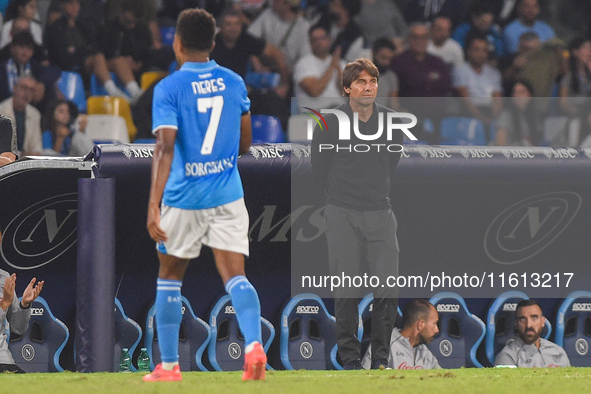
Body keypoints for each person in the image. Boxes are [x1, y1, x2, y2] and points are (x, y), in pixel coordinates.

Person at [144, 8, 266, 382]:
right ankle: (254, 348)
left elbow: (165, 147)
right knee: (236, 277)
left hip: (184, 198)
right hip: (228, 194)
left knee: (169, 277)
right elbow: (246, 144)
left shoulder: (169, 88)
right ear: (213, 43)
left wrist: (153, 204)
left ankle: (168, 366)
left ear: (177, 43)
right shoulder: (233, 81)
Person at [311, 58, 401, 370]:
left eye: (372, 81)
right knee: (345, 290)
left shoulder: (391, 121)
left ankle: (380, 360)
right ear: (347, 87)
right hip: (342, 212)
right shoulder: (329, 121)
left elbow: (392, 164)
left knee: (387, 289)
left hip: (380, 212)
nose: (368, 87)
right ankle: (349, 361)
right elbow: (318, 169)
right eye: (361, 82)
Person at [44, 0, 131, 100]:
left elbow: (94, 45)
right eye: (71, 3)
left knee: (119, 61)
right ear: (63, 5)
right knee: (97, 58)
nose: (75, 7)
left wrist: (77, 50)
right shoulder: (56, 28)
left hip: (89, 61)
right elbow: (61, 54)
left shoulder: (83, 26)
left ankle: (135, 93)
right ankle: (113, 92)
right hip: (74, 65)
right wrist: (81, 51)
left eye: (77, 4)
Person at [361, 299, 441, 370]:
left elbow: (443, 378)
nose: (437, 330)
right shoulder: (385, 341)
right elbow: (365, 375)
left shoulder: (424, 351)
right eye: (434, 324)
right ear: (421, 324)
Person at [494, 299, 570, 367]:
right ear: (516, 324)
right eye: (522, 319)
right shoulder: (507, 356)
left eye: (534, 317)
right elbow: (504, 383)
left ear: (543, 322)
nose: (529, 325)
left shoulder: (558, 351)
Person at [452, 32, 503, 131]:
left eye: (484, 51)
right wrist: (482, 119)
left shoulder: (494, 73)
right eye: (476, 50)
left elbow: (497, 99)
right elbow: (465, 100)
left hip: (490, 111)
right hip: (468, 112)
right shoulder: (460, 70)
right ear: (469, 51)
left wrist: (493, 118)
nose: (480, 54)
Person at [0, 268, 44, 373]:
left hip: (4, 360)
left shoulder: (4, 277)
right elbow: (5, 304)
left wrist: (24, 305)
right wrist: (4, 304)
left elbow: (18, 328)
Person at [293, 24, 346, 108]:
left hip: (340, 111)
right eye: (314, 40)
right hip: (315, 113)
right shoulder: (303, 64)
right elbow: (314, 91)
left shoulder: (340, 63)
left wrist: (338, 68)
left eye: (322, 38)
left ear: (329, 40)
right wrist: (332, 67)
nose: (319, 42)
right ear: (310, 42)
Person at [0, 74, 42, 156]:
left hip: (27, 164)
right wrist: (23, 154)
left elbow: (37, 147)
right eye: (24, 88)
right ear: (14, 88)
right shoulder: (1, 111)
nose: (27, 93)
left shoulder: (35, 114)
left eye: (31, 90)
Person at [495, 79, 541, 146]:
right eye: (515, 92)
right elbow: (500, 145)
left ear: (530, 96)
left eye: (522, 92)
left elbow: (536, 142)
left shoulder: (535, 116)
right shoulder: (505, 115)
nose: (517, 95)